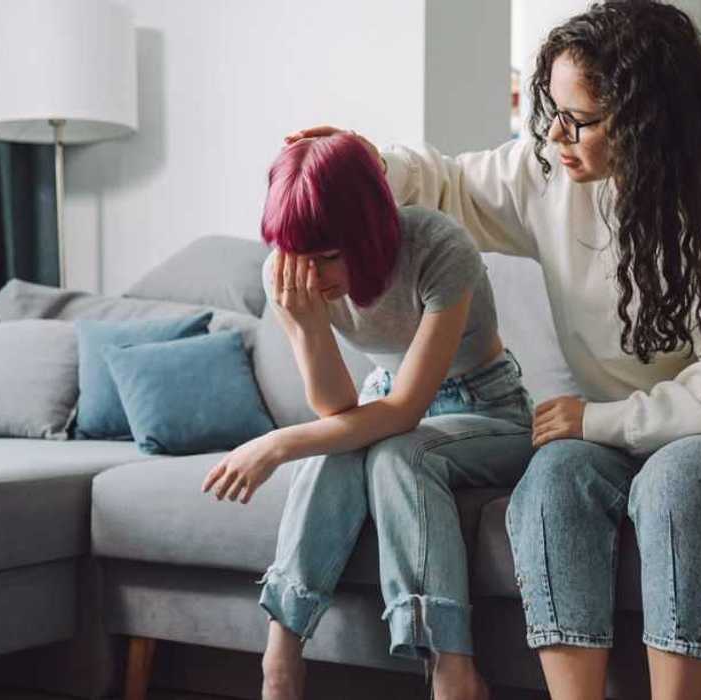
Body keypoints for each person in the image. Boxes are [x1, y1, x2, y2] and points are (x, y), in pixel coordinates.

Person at [284, 2, 701, 698]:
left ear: (646, 122)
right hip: (625, 437)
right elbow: (448, 184)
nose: (554, 133)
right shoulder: (551, 174)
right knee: (552, 480)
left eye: (579, 119)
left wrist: (597, 419)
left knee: (677, 479)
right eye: (551, 111)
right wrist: (370, 167)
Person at [202, 132, 535, 700]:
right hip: (382, 399)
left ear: (369, 229)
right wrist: (309, 326)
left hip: (486, 407)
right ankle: (280, 659)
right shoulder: (286, 274)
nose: (314, 276)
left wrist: (277, 444)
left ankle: (452, 670)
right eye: (301, 257)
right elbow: (337, 410)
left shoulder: (438, 247)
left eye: (329, 256)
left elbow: (404, 412)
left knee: (398, 455)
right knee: (337, 449)